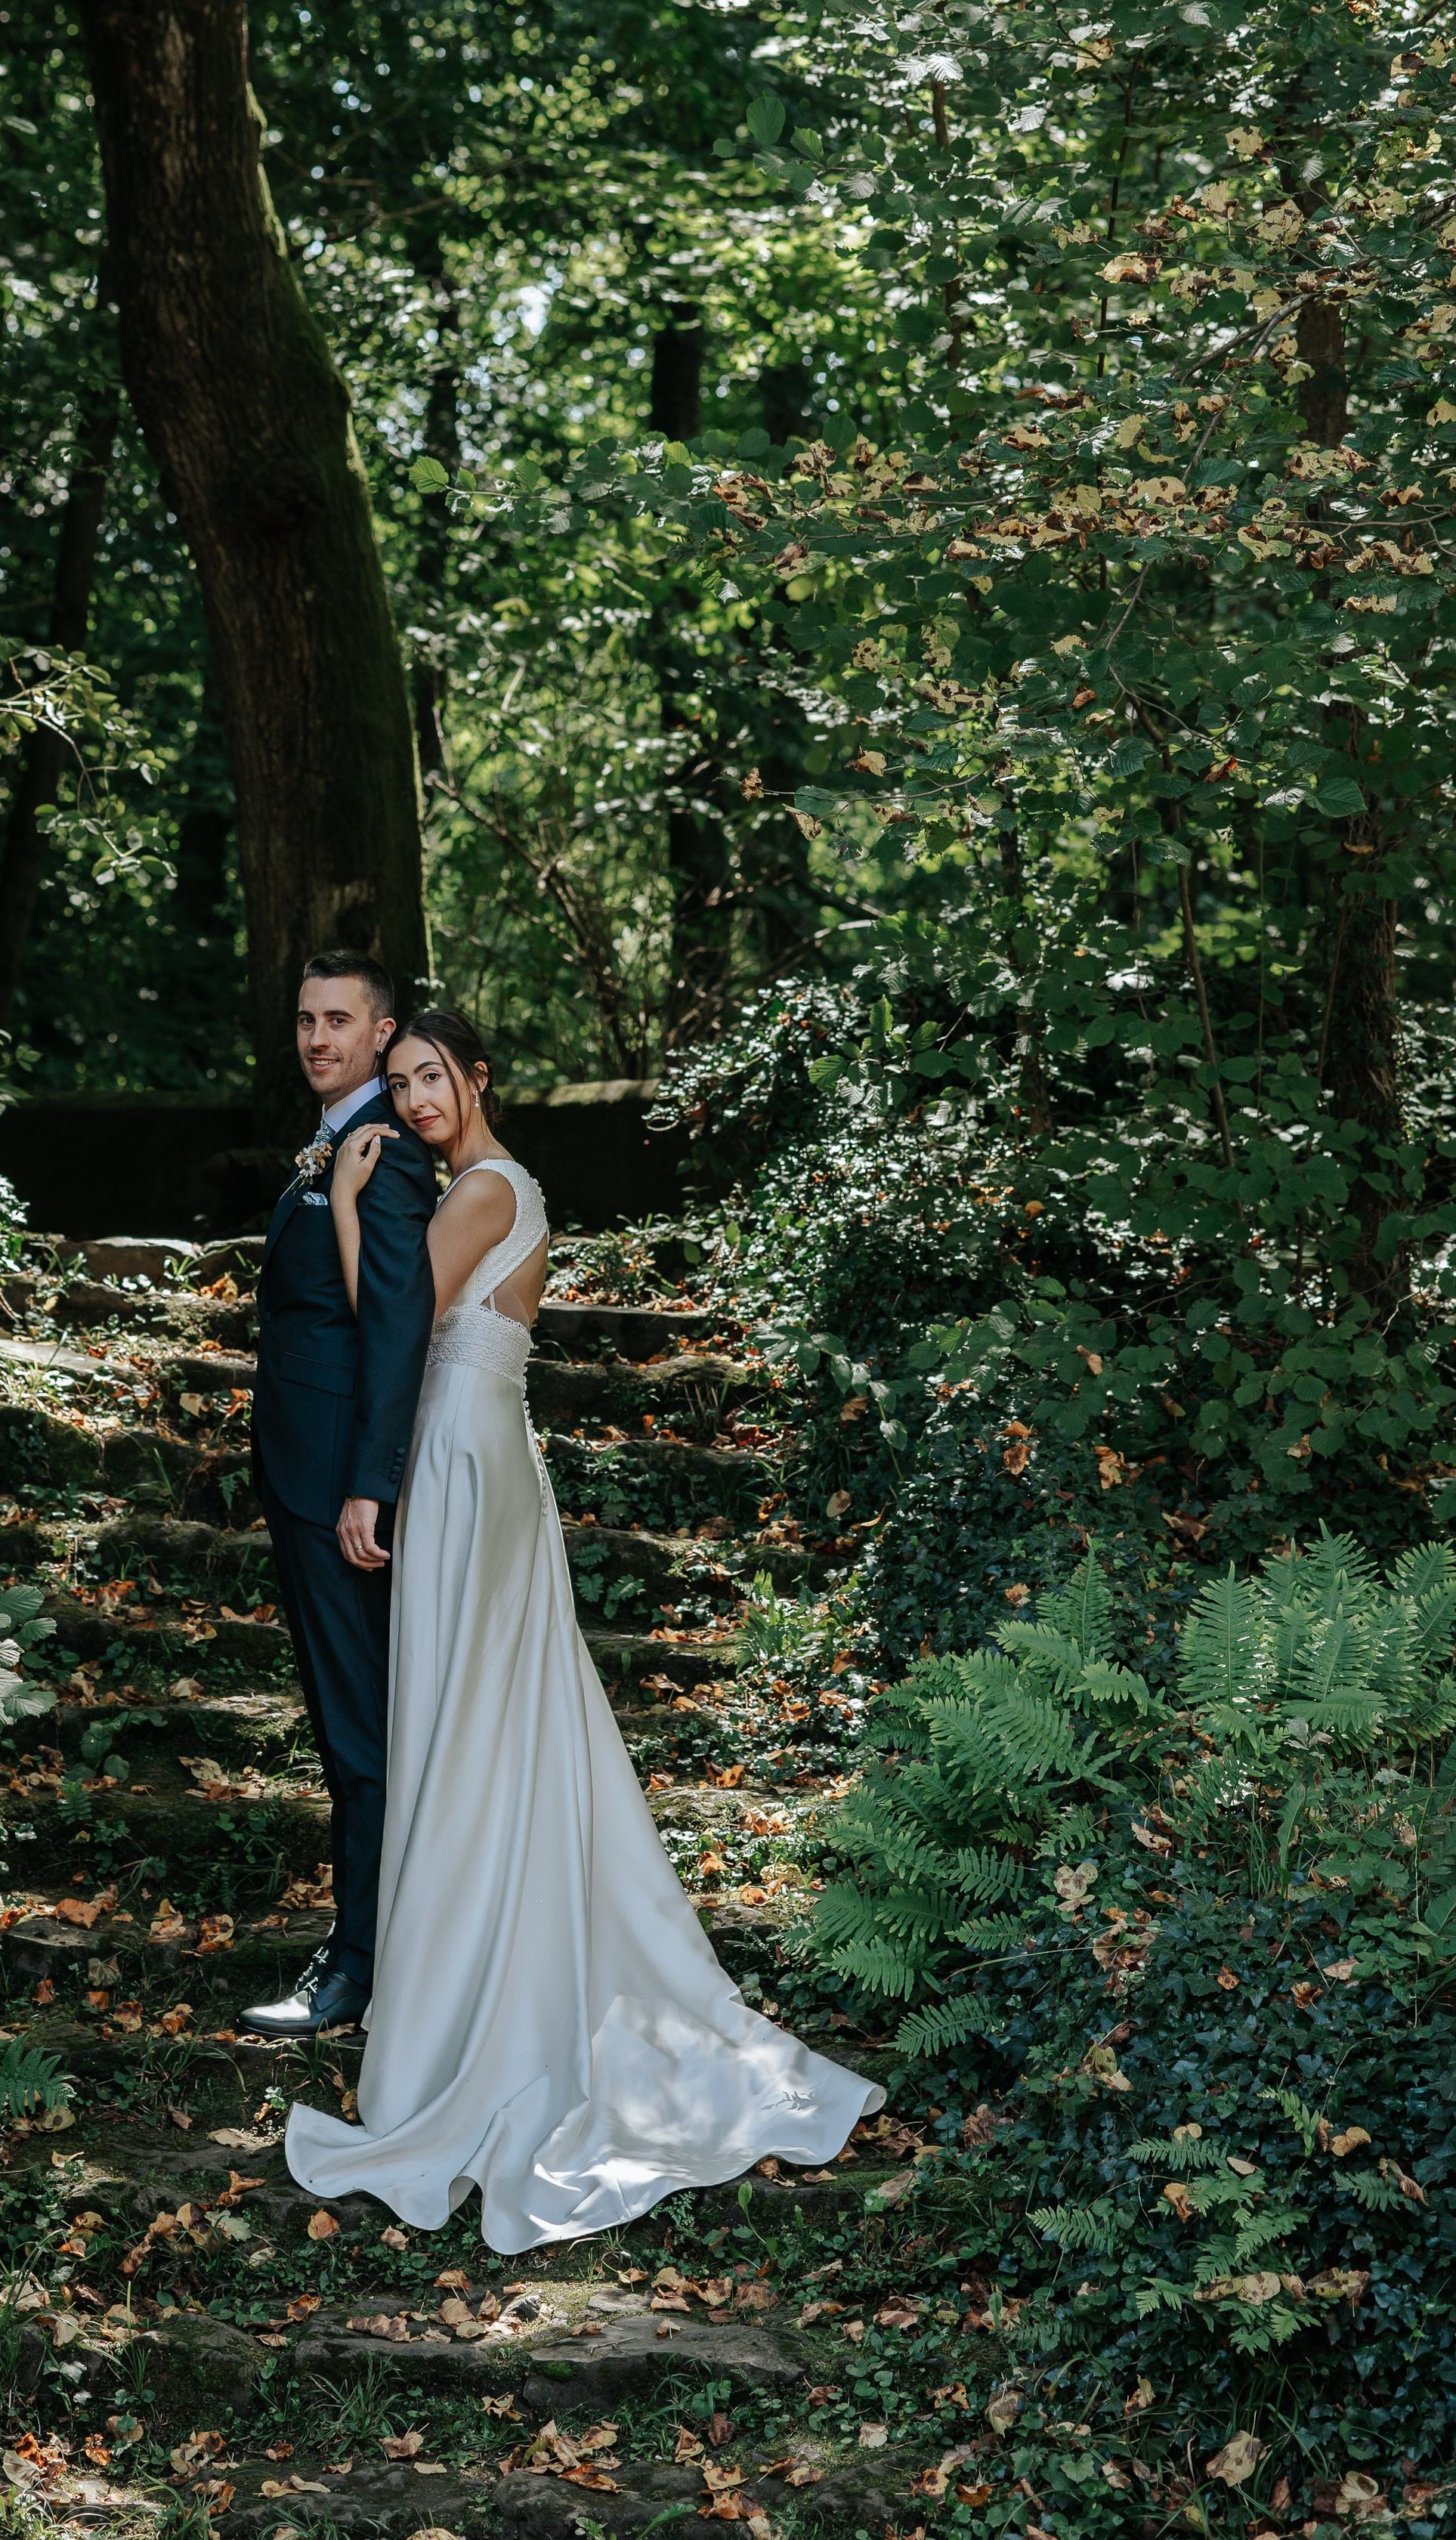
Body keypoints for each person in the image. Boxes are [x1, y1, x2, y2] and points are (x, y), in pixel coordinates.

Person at [283, 1007, 886, 2252]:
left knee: (465, 1721)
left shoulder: (489, 1188)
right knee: (477, 1722)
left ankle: (472, 2017)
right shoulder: (486, 1182)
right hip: (476, 1450)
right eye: (398, 1086)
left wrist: (348, 1201)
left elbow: (390, 1310)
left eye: (429, 1076)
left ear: (477, 1076)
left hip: (459, 1455)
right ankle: (472, 1959)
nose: (413, 1101)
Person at [238, 952, 438, 2038]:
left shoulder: (386, 1156)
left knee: (359, 1731)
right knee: (348, 1721)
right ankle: (373, 1943)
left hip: (340, 1487)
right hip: (303, 1468)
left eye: (339, 1021)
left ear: (382, 1032)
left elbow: (397, 1330)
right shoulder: (334, 1142)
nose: (317, 1037)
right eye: (306, 1018)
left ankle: (358, 1966)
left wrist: (372, 1484)